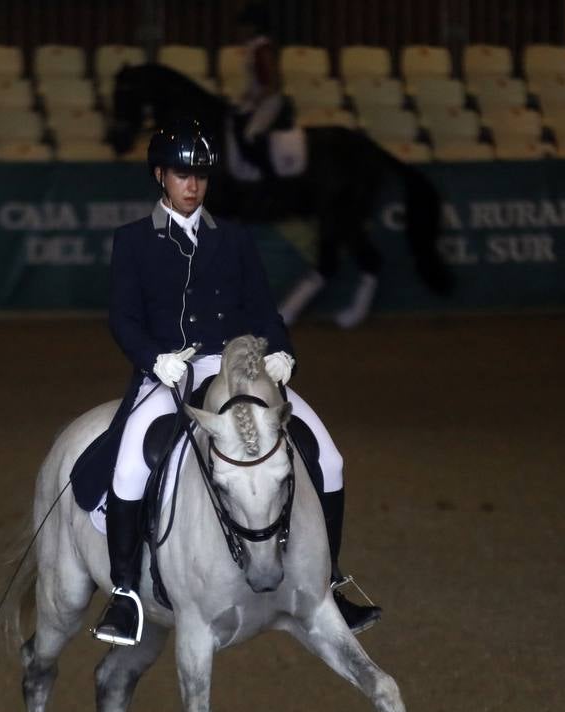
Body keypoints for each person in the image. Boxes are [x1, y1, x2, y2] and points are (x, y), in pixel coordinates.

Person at [91, 119, 381, 646]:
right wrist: (155, 360)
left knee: (331, 459)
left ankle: (331, 580)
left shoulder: (236, 239)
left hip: (236, 370)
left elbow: (265, 313)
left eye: (200, 175)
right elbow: (123, 319)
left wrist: (283, 354)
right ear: (161, 176)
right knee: (132, 465)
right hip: (170, 370)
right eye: (182, 175)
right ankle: (125, 593)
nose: (193, 185)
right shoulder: (132, 241)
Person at [232, 1, 293, 176]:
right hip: (257, 98)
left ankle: (267, 174)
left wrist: (256, 99)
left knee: (251, 135)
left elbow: (273, 83)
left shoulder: (263, 48)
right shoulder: (253, 47)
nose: (241, 30)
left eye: (244, 26)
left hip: (270, 100)